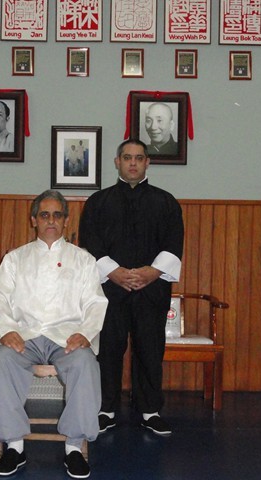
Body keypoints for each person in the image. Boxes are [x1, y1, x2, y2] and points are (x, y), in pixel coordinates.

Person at [0, 190, 108, 478]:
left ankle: (74, 447)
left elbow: (96, 302)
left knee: (85, 363)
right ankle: (14, 446)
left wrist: (85, 333)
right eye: (44, 215)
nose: (51, 220)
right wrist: (7, 330)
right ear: (34, 220)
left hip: (66, 338)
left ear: (66, 220)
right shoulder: (15, 259)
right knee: (1, 360)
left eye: (57, 215)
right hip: (24, 336)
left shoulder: (83, 260)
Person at [79, 139, 184, 437]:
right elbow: (90, 244)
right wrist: (115, 273)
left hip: (152, 289)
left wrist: (152, 272)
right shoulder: (98, 202)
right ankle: (105, 409)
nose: (133, 163)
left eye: (139, 158)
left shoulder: (166, 202)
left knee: (150, 349)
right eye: (127, 157)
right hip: (109, 289)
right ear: (117, 162)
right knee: (108, 349)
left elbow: (173, 244)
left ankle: (150, 411)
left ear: (148, 162)